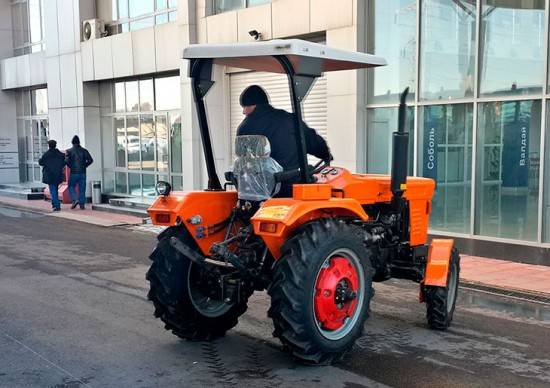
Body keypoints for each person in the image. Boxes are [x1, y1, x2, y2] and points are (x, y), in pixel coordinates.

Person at [236, 85, 332, 197]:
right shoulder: (289, 120)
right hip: (288, 187)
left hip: (254, 190)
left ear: (254, 104)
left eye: (245, 107)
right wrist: (326, 154)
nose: (243, 112)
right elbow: (312, 141)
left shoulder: (243, 128)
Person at [65, 135, 93, 209]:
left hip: (74, 172)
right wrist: (85, 165)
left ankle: (75, 199)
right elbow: (90, 160)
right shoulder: (84, 151)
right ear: (79, 142)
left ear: (72, 142)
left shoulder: (69, 151)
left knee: (71, 186)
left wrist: (71, 166)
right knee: (82, 189)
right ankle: (82, 205)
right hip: (83, 172)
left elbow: (66, 161)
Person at [38, 140, 66, 212]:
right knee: (55, 189)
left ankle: (56, 206)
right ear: (55, 145)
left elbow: (41, 162)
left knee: (53, 190)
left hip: (49, 175)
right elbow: (64, 162)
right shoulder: (60, 154)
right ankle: (55, 204)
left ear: (49, 145)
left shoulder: (46, 155)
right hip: (58, 174)